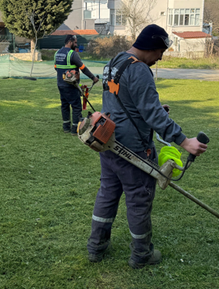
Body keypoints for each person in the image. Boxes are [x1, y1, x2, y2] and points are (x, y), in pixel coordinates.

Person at [86, 24, 207, 269]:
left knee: (107, 194)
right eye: (160, 51)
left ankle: (95, 246)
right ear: (151, 47)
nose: (160, 57)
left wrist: (147, 112)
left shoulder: (115, 62)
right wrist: (185, 141)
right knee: (139, 200)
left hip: (109, 143)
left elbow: (120, 103)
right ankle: (141, 254)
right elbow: (152, 113)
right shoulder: (139, 70)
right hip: (134, 151)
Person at [54, 35, 99, 135]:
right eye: (75, 42)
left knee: (64, 105)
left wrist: (64, 74)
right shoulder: (72, 54)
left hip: (60, 84)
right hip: (71, 85)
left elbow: (56, 67)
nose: (76, 44)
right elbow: (83, 68)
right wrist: (93, 78)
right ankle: (75, 129)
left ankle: (66, 128)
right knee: (76, 107)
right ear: (70, 42)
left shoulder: (57, 53)